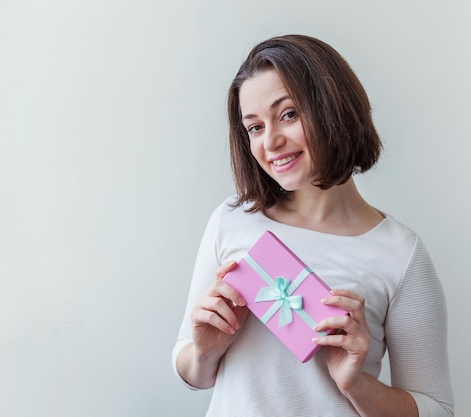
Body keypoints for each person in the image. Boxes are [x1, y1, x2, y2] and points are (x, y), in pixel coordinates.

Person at [172, 34, 454, 417]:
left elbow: (437, 409)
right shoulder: (232, 219)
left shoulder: (400, 254)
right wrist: (206, 351)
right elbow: (192, 369)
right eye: (254, 127)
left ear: (333, 108)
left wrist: (355, 383)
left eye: (288, 114)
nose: (270, 141)